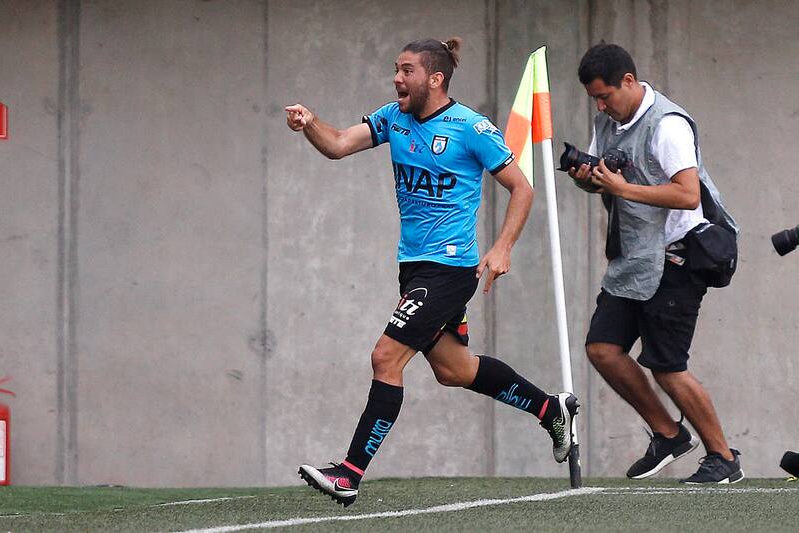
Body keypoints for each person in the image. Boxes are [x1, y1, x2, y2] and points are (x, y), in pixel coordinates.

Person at [286, 37, 579, 507]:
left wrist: (502, 248)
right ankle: (549, 408)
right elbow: (339, 145)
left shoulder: (471, 128)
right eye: (396, 70)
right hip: (414, 268)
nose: (397, 78)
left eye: (406, 71)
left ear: (434, 78)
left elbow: (522, 190)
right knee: (454, 370)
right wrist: (309, 123)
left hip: (449, 269)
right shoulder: (392, 117)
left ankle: (349, 473)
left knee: (386, 357)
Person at [568, 43, 742, 484]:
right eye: (594, 98)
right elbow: (609, 183)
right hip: (633, 257)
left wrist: (623, 189)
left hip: (679, 256)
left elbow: (687, 194)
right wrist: (591, 181)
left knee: (667, 365)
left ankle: (723, 458)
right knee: (602, 349)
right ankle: (668, 434)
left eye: (605, 95)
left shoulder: (667, 125)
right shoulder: (606, 121)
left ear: (629, 81)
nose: (601, 105)